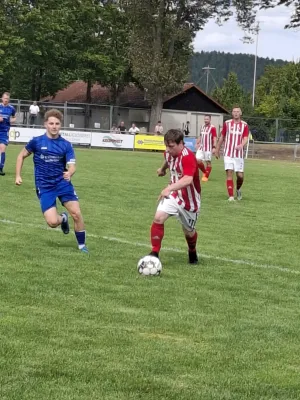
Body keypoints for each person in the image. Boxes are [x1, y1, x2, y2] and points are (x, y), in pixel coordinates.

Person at [15, 109, 88, 253]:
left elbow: (72, 165)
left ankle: (82, 246)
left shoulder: (66, 144)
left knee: (77, 214)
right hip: (45, 185)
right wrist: (18, 175)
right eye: (51, 123)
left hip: (62, 183)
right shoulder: (36, 142)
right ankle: (63, 219)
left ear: (60, 125)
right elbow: (20, 156)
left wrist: (70, 173)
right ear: (45, 125)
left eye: (57, 123)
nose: (54, 126)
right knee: (53, 222)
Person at [149, 129, 201, 264]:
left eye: (171, 146)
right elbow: (167, 160)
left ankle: (192, 250)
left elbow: (188, 179)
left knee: (189, 232)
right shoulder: (168, 153)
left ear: (181, 144)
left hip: (190, 200)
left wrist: (168, 188)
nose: (168, 149)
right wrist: (162, 169)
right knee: (158, 218)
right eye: (166, 146)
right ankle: (154, 253)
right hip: (173, 194)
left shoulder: (188, 157)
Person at [215, 106, 249, 201]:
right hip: (228, 153)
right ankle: (231, 196)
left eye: (238, 111)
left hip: (238, 154)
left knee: (240, 176)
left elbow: (245, 138)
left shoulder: (244, 125)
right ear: (232, 113)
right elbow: (222, 137)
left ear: (240, 113)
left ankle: (238, 189)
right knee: (229, 173)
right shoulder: (227, 123)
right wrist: (217, 149)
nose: (236, 113)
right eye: (234, 111)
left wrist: (241, 145)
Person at [196, 114, 217, 182]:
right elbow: (200, 135)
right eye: (205, 119)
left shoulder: (212, 127)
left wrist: (214, 147)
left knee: (208, 162)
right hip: (201, 147)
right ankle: (205, 172)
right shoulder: (202, 126)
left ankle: (206, 176)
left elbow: (214, 137)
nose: (206, 120)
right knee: (197, 160)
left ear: (210, 120)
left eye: (207, 119)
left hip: (208, 148)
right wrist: (197, 142)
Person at [0, 92, 16, 175]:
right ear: (2, 98)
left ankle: (1, 168)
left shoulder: (11, 108)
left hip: (4, 131)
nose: (6, 100)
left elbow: (14, 118)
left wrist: (11, 120)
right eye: (4, 98)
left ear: (9, 99)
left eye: (7, 99)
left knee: (2, 149)